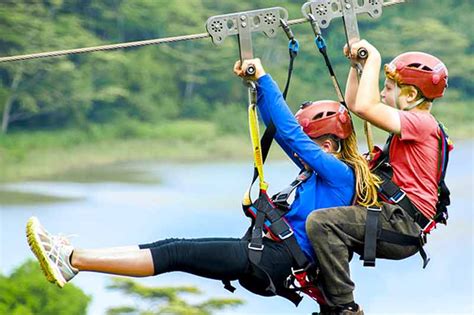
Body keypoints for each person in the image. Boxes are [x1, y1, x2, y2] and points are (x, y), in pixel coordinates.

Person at [25, 58, 379, 314]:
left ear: (328, 145)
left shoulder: (339, 174)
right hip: (265, 253)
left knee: (177, 252)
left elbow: (289, 134)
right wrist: (255, 86)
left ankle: (72, 259)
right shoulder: (321, 173)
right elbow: (281, 132)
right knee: (171, 247)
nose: (302, 150)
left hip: (273, 259)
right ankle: (74, 260)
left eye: (310, 142)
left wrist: (267, 78)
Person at [306, 39, 450, 314]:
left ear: (409, 96)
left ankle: (344, 307)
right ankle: (329, 296)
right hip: (393, 217)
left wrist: (373, 58)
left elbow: (364, 108)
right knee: (329, 214)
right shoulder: (414, 122)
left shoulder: (420, 124)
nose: (382, 94)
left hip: (400, 223)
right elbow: (354, 102)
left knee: (322, 223)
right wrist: (356, 66)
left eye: (387, 88)